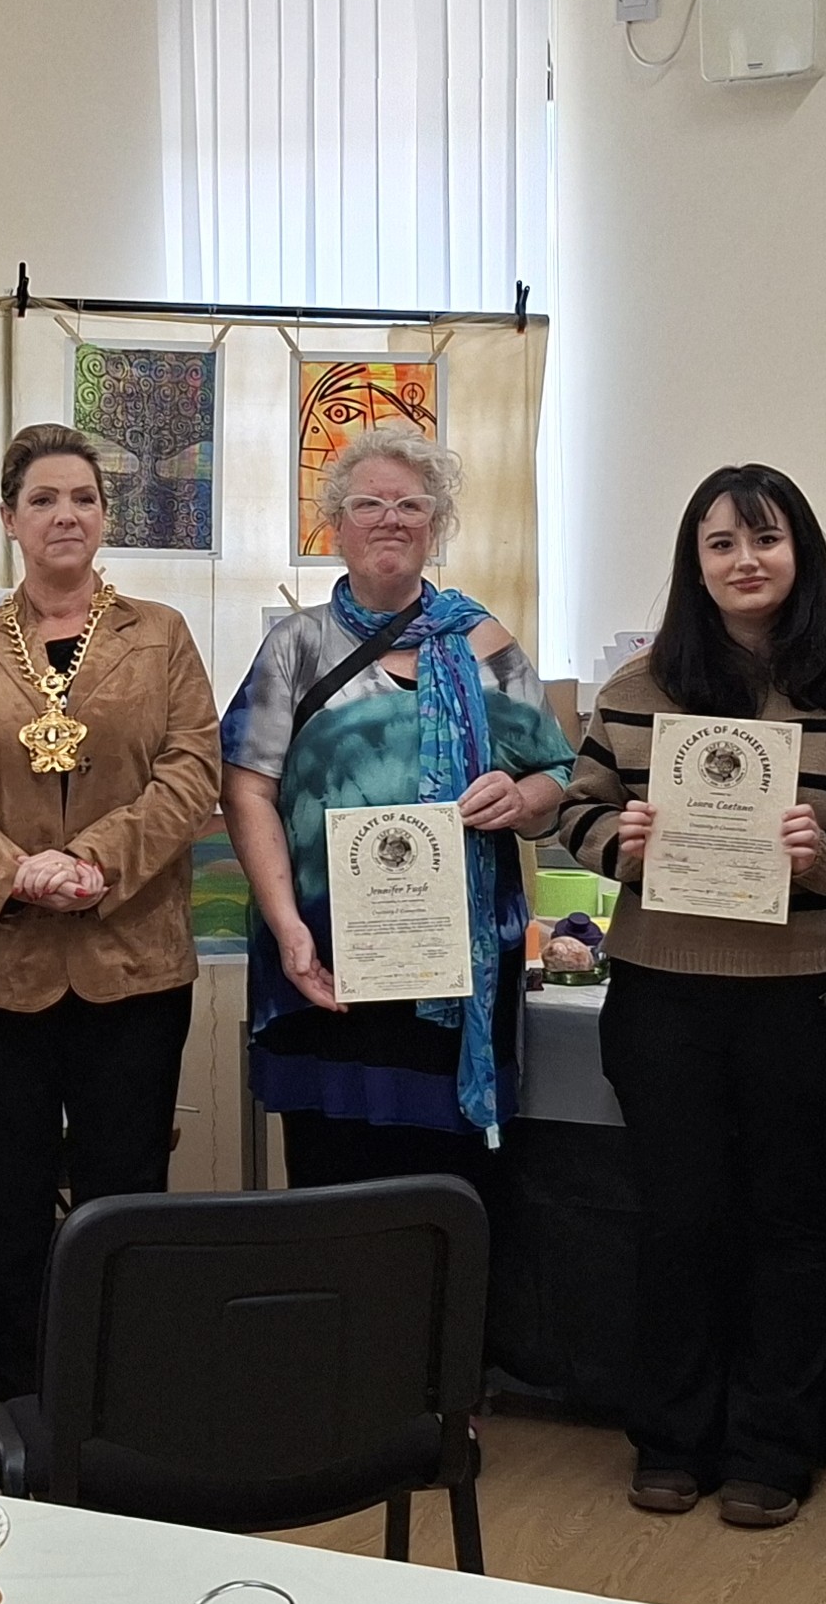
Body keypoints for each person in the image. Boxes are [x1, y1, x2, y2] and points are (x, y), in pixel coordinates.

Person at [558, 464, 826, 1528]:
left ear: (799, 553)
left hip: (801, 993)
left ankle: (772, 1448)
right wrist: (613, 845)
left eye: (763, 540)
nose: (743, 561)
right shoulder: (637, 688)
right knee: (675, 1219)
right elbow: (576, 814)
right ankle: (672, 1440)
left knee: (789, 1223)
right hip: (662, 991)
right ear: (695, 564)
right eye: (719, 544)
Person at [0, 423, 221, 1401]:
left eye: (82, 496)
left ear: (103, 515)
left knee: (124, 1201)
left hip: (132, 968)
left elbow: (191, 767)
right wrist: (11, 870)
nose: (65, 514)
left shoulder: (158, 633)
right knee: (6, 1207)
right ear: (8, 519)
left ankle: (122, 1408)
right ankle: (23, 1416)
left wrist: (92, 861)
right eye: (42, 499)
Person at [222, 424, 571, 1183]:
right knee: (334, 1185)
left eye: (412, 504)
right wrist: (286, 927)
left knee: (451, 1195)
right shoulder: (296, 646)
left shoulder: (485, 644)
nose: (391, 518)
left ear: (436, 525)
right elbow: (247, 786)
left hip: (457, 972)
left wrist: (521, 796)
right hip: (325, 966)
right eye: (368, 503)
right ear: (335, 525)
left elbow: (559, 778)